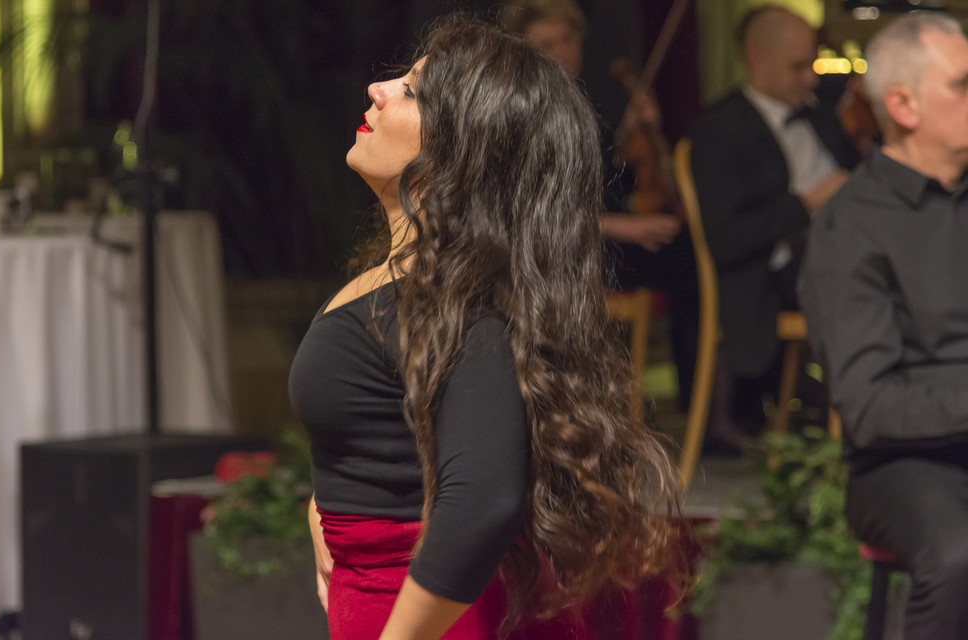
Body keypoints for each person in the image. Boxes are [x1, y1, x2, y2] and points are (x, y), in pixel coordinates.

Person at [289, 14, 682, 640]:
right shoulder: (412, 281)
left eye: (411, 91)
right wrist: (326, 506)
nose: (378, 89)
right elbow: (383, 429)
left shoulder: (466, 305)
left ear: (459, 149)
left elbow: (482, 503)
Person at [798, 12, 968, 640]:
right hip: (905, 462)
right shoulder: (851, 226)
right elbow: (868, 406)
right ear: (902, 105)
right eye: (962, 84)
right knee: (958, 556)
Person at [501, 0, 700, 413]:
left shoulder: (584, 108)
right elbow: (531, 213)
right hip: (556, 253)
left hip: (594, 242)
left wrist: (648, 128)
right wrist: (621, 227)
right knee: (684, 260)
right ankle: (694, 407)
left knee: (690, 249)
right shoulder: (522, 116)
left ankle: (698, 402)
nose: (561, 51)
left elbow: (618, 187)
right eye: (547, 44)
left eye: (567, 39)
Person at [688, 5, 860, 434]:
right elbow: (726, 238)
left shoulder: (821, 115)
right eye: (798, 67)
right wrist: (807, 203)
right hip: (779, 274)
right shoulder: (720, 129)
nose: (811, 78)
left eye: (813, 64)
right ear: (757, 60)